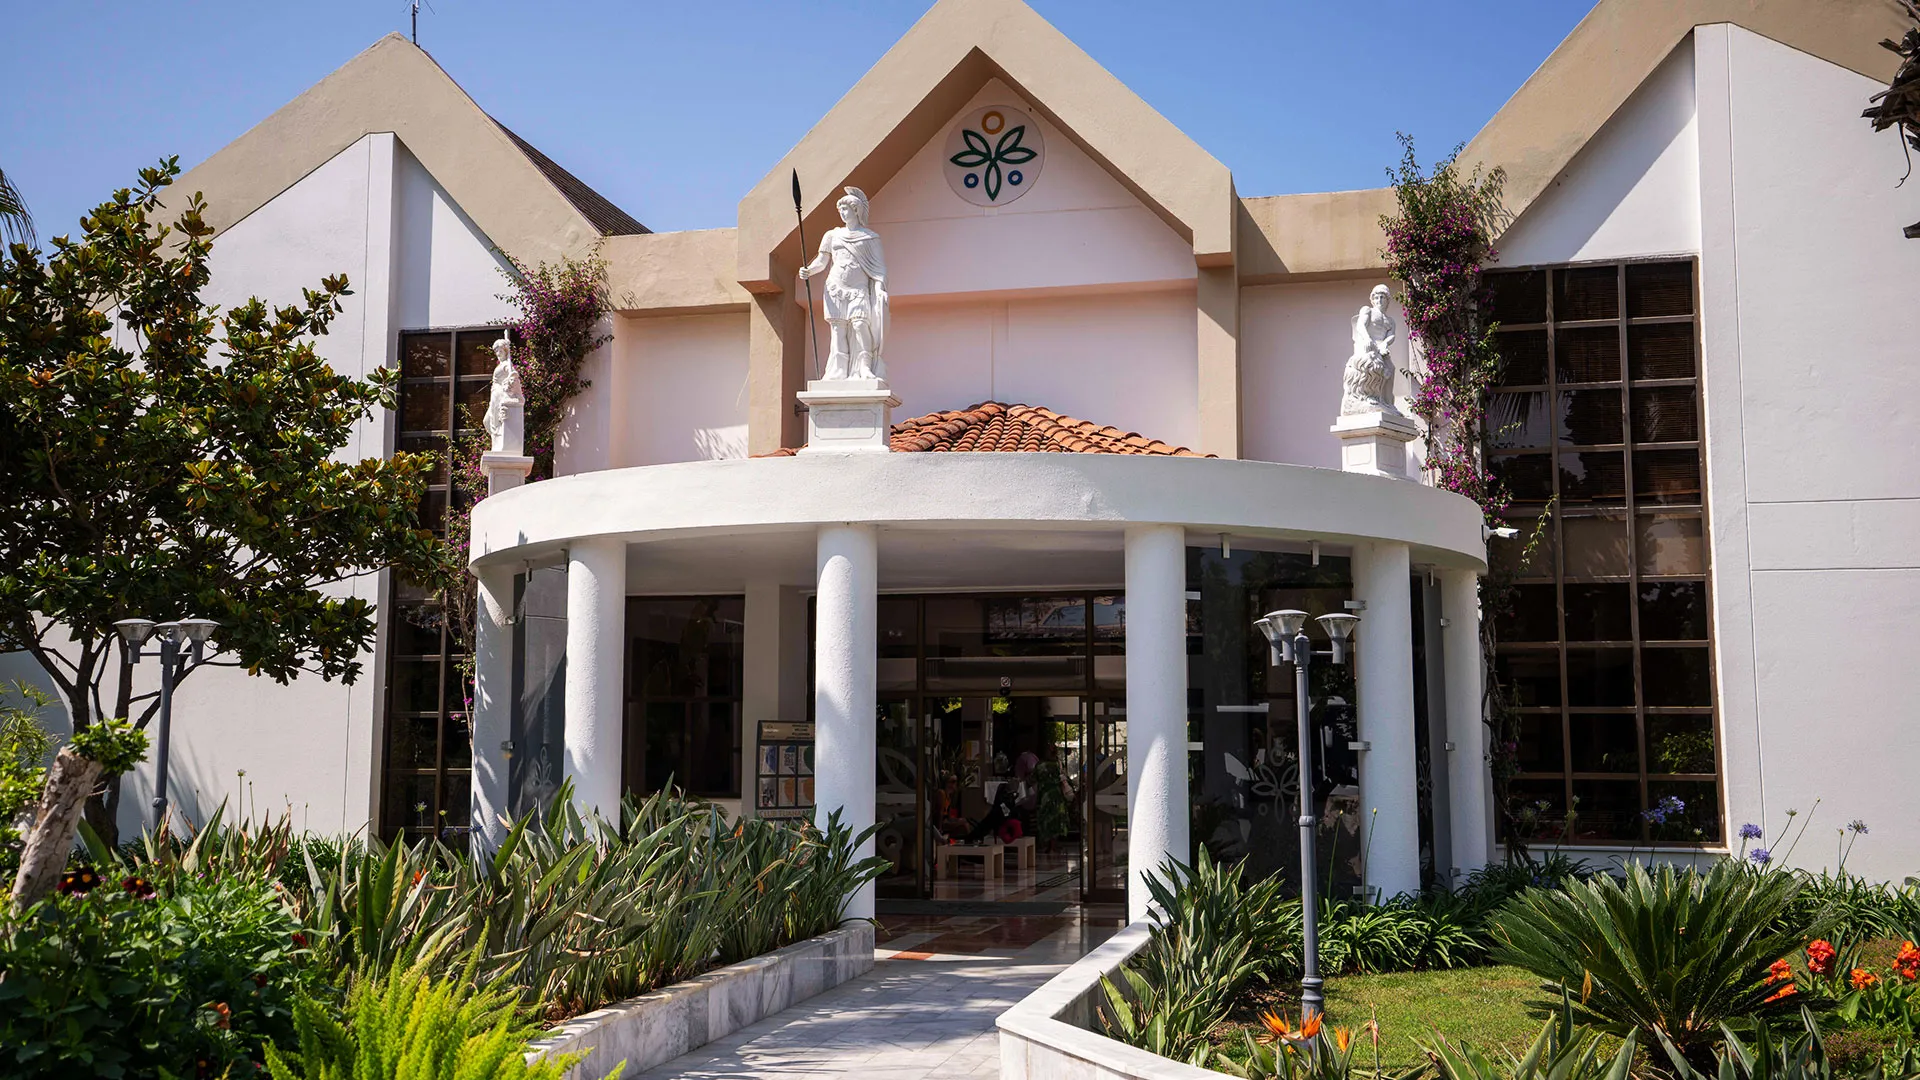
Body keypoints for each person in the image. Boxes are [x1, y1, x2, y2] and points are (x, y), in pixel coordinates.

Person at [797, 187, 889, 382]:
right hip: (835, 289)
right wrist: (809, 270)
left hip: (858, 290)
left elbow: (879, 268)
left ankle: (864, 367)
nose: (842, 213)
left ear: (856, 210)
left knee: (860, 325)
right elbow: (822, 262)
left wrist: (880, 288)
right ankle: (838, 371)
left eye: (845, 209)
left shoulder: (870, 237)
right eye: (840, 209)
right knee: (838, 330)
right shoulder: (832, 235)